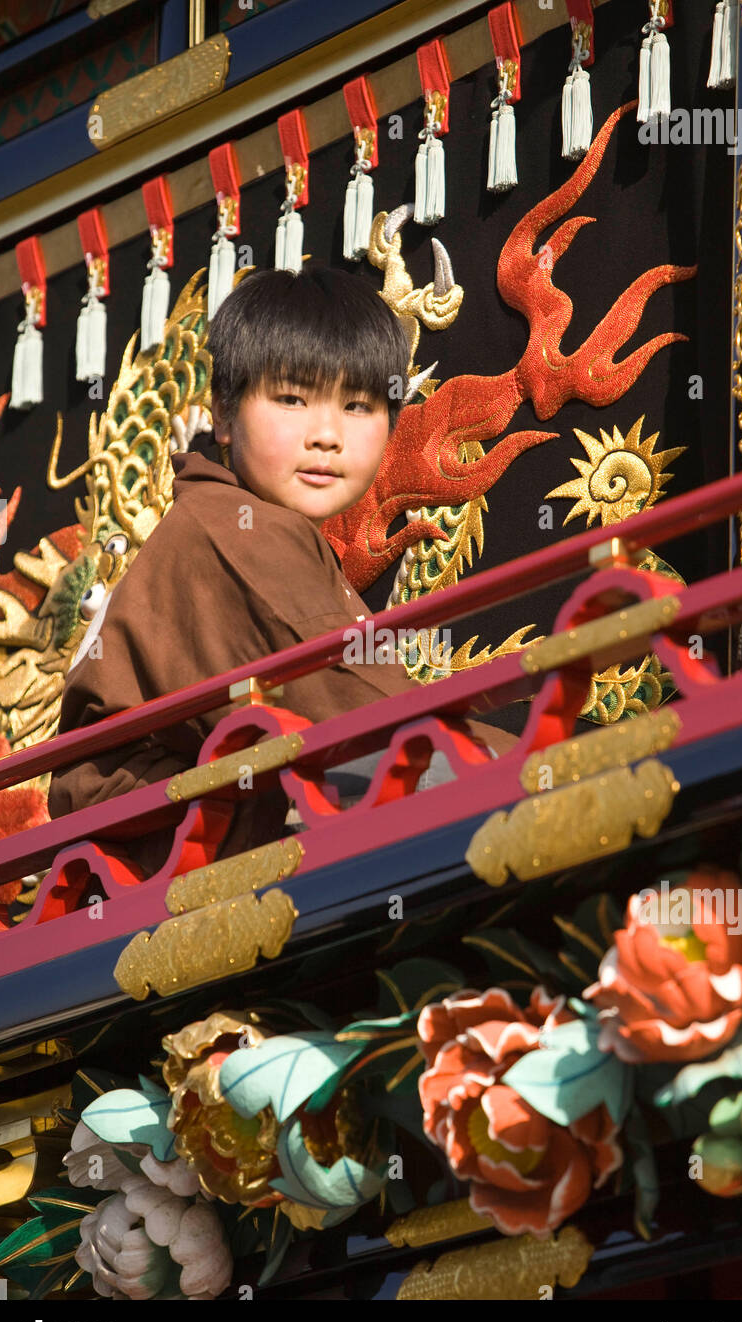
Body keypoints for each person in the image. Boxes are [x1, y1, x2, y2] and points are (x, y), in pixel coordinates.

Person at [47, 266, 512, 875]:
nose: (326, 436)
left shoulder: (249, 522)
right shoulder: (235, 530)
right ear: (223, 412)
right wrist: (544, 758)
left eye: (358, 406)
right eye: (292, 399)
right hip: (157, 847)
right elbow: (359, 708)